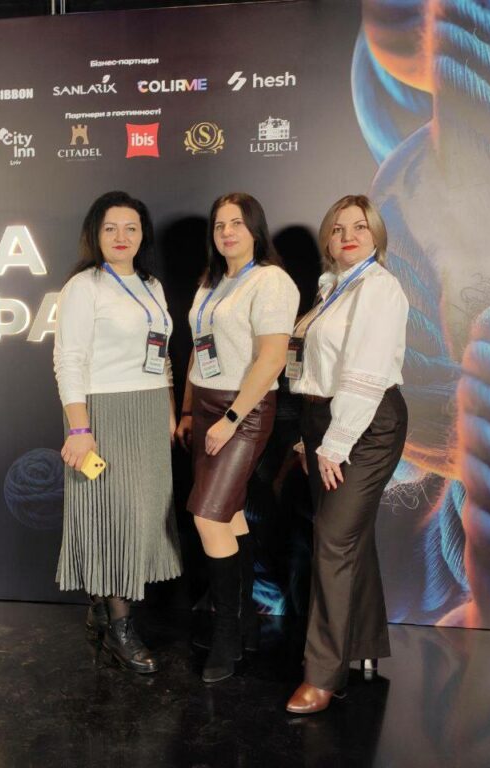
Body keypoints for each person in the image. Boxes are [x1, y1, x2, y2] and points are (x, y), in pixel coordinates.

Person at [285, 194, 409, 714]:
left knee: (333, 541)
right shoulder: (330, 289)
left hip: (368, 423)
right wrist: (308, 436)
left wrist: (334, 444)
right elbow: (310, 364)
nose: (348, 236)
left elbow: (365, 373)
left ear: (376, 235)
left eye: (359, 226)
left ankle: (323, 675)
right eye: (337, 229)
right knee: (349, 539)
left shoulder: (379, 288)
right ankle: (363, 646)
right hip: (324, 419)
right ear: (328, 242)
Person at [53, 190, 182, 674]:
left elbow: (161, 355)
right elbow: (68, 360)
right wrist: (79, 428)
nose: (121, 237)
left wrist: (168, 410)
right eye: (111, 228)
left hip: (148, 412)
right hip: (101, 413)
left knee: (142, 517)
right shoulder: (83, 286)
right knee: (113, 517)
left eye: (131, 227)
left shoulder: (152, 285)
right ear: (96, 233)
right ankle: (120, 628)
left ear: (143, 234)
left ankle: (103, 610)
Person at [176, 192, 299, 683]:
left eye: (237, 223)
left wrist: (230, 417)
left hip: (243, 409)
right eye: (219, 224)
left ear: (255, 230)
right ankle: (246, 624)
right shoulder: (212, 281)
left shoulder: (271, 281)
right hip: (207, 404)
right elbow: (198, 348)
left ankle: (226, 634)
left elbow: (272, 358)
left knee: (207, 517)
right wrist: (189, 408)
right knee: (228, 516)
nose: (227, 232)